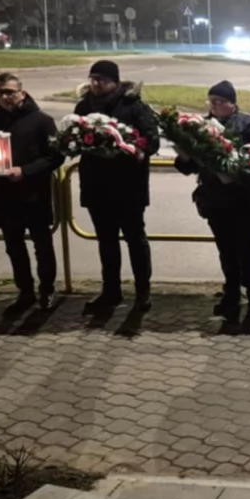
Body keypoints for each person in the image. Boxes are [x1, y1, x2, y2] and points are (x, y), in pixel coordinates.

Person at [175, 81, 250, 322]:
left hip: (244, 199)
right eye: (212, 101)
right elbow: (188, 167)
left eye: (221, 102)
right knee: (226, 250)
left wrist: (237, 171)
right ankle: (231, 293)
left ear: (233, 104)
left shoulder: (249, 123)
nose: (215, 106)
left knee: (249, 250)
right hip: (215, 200)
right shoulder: (201, 127)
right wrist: (185, 153)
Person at [73, 60, 160, 314]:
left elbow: (151, 140)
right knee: (106, 241)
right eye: (92, 78)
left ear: (115, 81)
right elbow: (75, 137)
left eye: (101, 79)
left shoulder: (133, 106)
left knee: (135, 239)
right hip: (96, 186)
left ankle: (143, 292)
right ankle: (110, 291)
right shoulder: (84, 106)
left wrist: (135, 149)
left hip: (128, 186)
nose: (96, 84)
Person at [0, 73, 64, 313]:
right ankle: (25, 291)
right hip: (3, 194)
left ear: (22, 93)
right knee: (13, 247)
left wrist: (24, 171)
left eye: (10, 92)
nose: (5, 97)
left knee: (42, 244)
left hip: (33, 194)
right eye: (0, 92)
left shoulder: (42, 121)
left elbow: (55, 156)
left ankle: (47, 289)